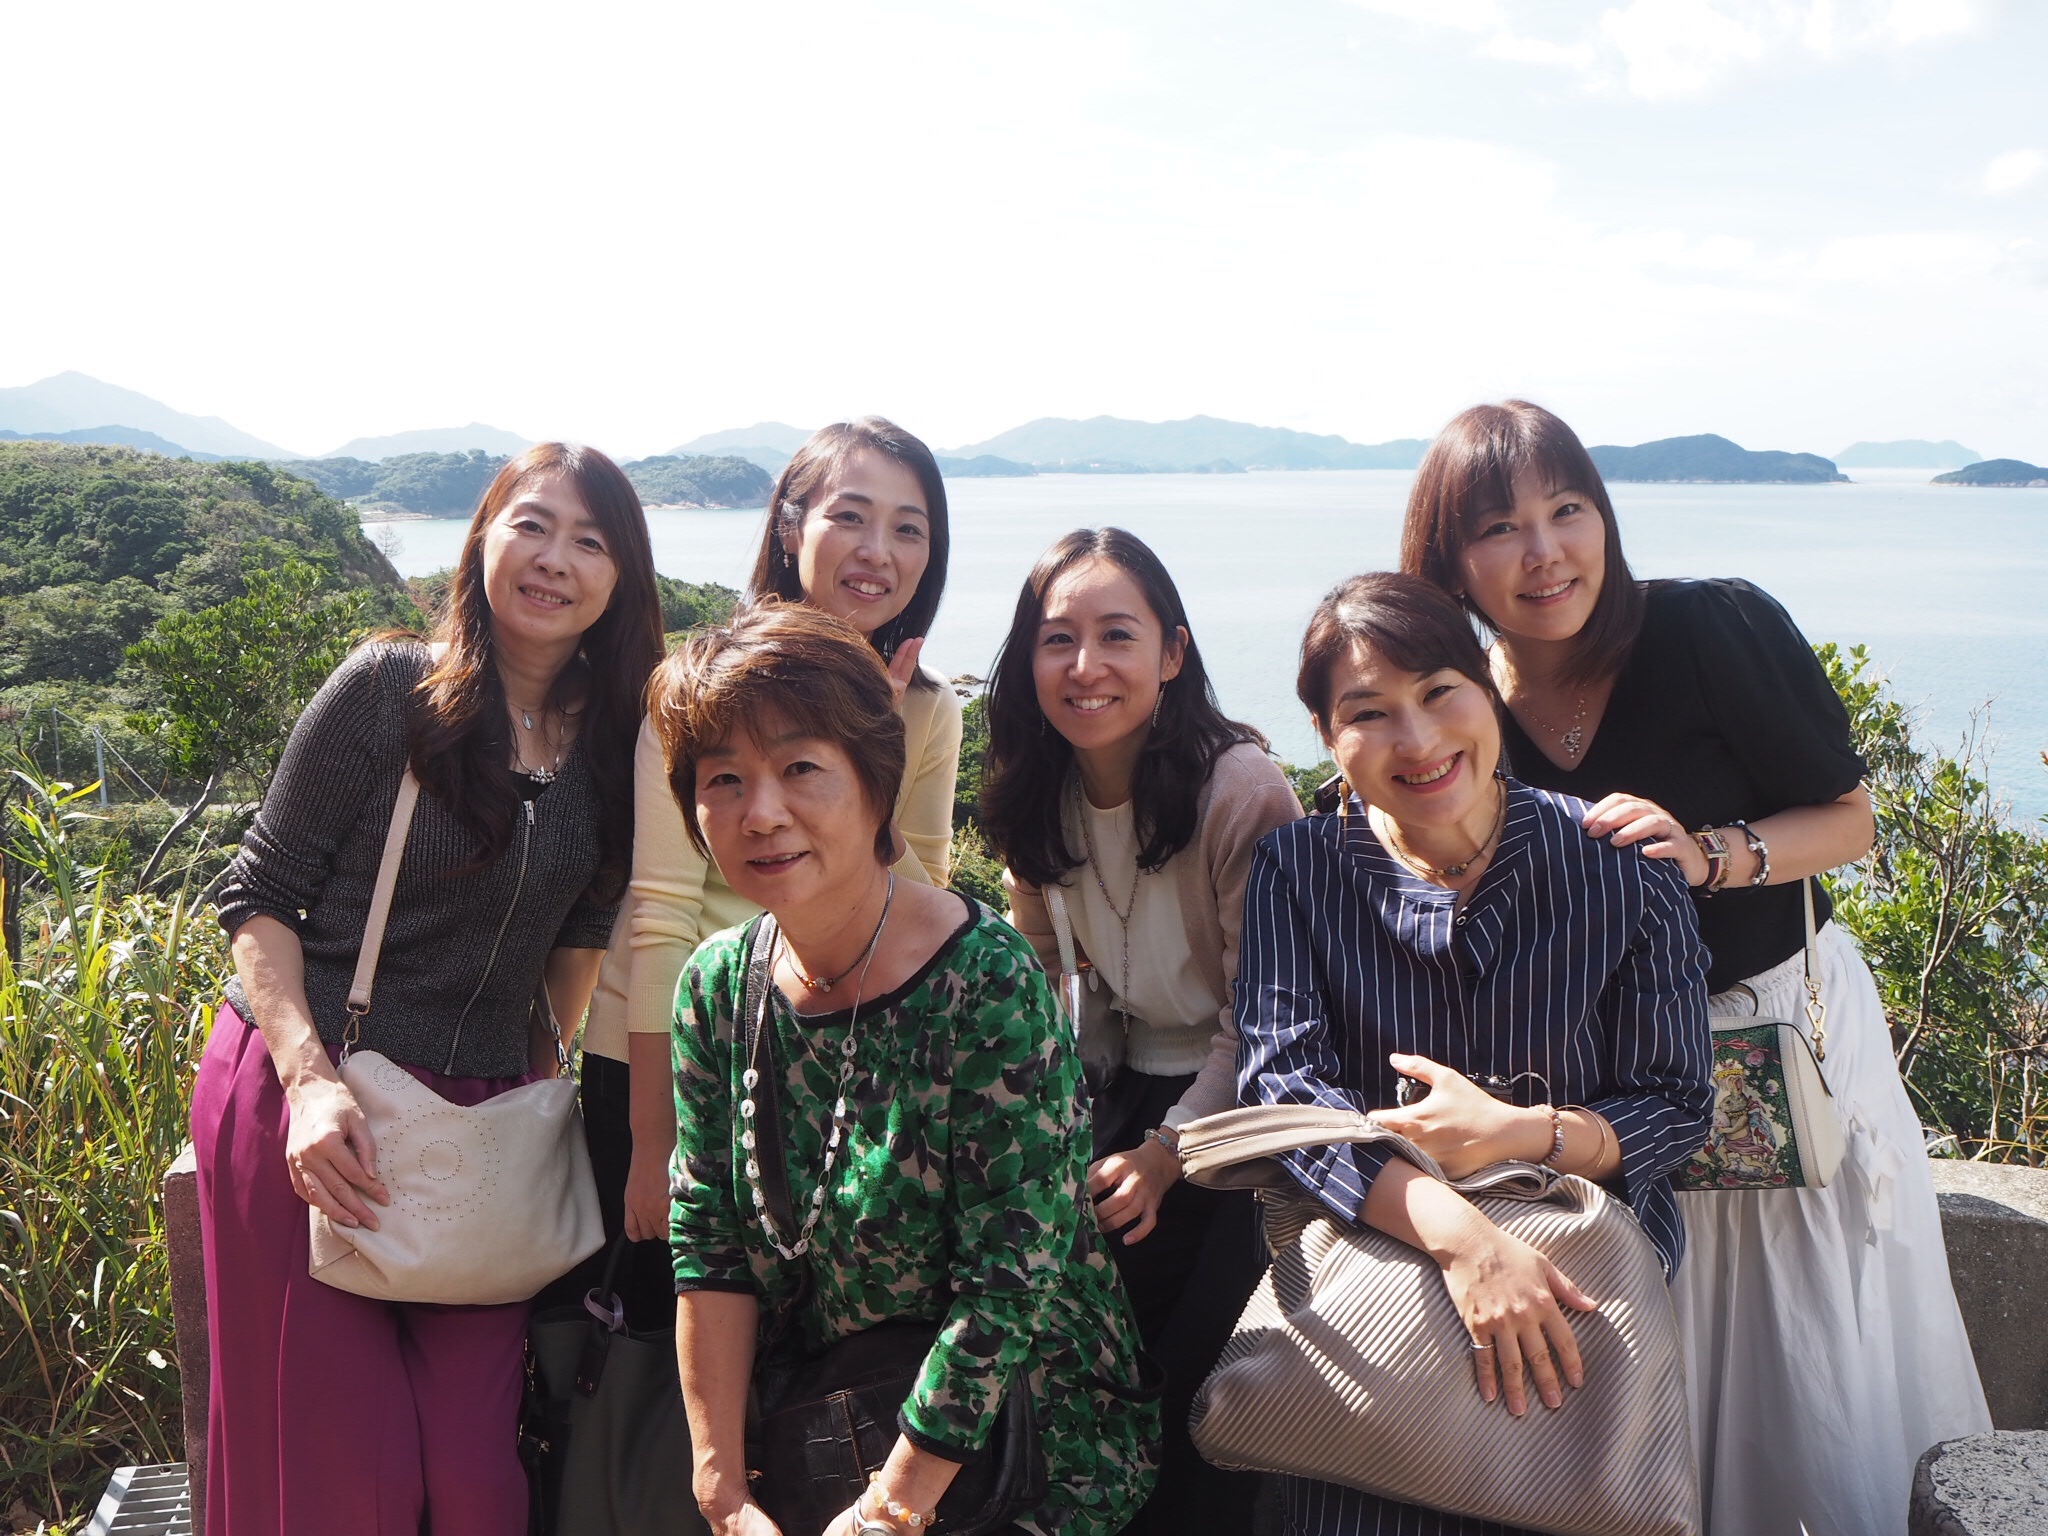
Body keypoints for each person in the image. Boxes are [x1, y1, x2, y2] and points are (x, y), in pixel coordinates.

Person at [1400, 399, 1992, 1536]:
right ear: (1447, 560)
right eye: (1499, 528)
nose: (1544, 552)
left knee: (1806, 1362)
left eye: (1566, 511)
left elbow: (1851, 819)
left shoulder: (1707, 630)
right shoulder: (1462, 709)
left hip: (1772, 1045)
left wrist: (1711, 854)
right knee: (1656, 1371)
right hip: (1619, 1093)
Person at [191, 443, 665, 1534]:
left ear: (621, 578)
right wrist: (308, 1081)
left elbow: (579, 940)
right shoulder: (388, 692)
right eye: (531, 525)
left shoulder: (616, 748)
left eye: (590, 541)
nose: (554, 559)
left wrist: (536, 1089)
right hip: (319, 1099)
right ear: (484, 537)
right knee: (342, 1474)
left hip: (480, 1121)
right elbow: (259, 893)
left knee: (475, 1475)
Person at [653, 601, 1158, 1536]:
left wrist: (892, 1512)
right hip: (827, 1439)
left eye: (801, 768)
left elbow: (1013, 1277)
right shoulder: (717, 990)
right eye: (724, 779)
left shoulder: (986, 979)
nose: (761, 813)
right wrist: (722, 1492)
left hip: (1030, 1456)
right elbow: (710, 1241)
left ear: (876, 782)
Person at [1237, 571, 1715, 1536]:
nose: (1418, 741)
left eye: (1439, 692)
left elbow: (1676, 1102)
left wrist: (1520, 1134)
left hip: (1577, 1284)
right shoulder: (1299, 867)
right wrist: (1464, 1240)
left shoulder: (1618, 865)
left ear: (1488, 687)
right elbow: (1282, 1086)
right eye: (1369, 712)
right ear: (1326, 735)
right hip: (1373, 1285)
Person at [577, 416, 964, 1327]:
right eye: (850, 516)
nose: (877, 551)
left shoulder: (927, 708)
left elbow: (926, 904)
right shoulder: (701, 690)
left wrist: (872, 748)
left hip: (824, 1052)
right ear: (791, 529)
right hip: (666, 1060)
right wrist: (654, 1142)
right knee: (651, 1348)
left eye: (908, 528)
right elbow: (661, 917)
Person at [978, 526, 1300, 1534]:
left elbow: (1267, 1020)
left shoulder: (1240, 793)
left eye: (1117, 635)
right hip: (1121, 1098)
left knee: (1200, 1384)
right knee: (1085, 1361)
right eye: (1056, 639)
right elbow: (1042, 978)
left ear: (1172, 654)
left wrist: (1167, 1155)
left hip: (1250, 1116)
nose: (1085, 666)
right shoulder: (1037, 794)